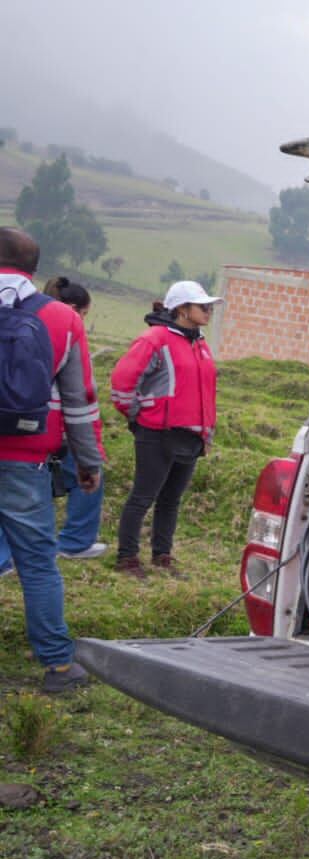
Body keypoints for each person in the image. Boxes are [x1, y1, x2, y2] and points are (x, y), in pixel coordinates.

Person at [0, 228, 105, 692]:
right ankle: (59, 666)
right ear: (33, 269)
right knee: (38, 563)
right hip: (25, 461)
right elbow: (80, 401)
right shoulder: (62, 318)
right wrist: (87, 462)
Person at [110, 282, 221, 578]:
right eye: (203, 306)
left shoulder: (201, 344)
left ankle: (162, 555)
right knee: (143, 496)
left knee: (171, 499)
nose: (209, 311)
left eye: (209, 306)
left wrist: (206, 433)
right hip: (157, 433)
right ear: (182, 309)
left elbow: (207, 393)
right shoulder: (154, 340)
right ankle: (127, 558)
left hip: (191, 436)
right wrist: (138, 417)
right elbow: (123, 383)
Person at [0, 277, 105, 575]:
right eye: (84, 314)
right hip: (46, 432)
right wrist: (91, 456)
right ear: (73, 309)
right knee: (37, 557)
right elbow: (80, 397)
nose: (84, 320)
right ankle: (73, 541)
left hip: (21, 429)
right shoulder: (62, 326)